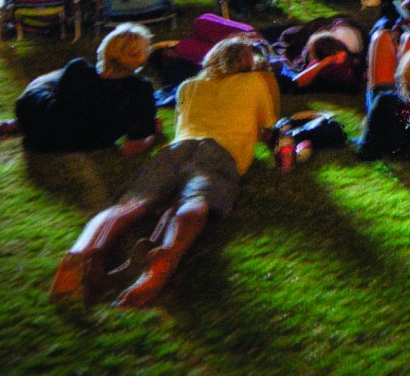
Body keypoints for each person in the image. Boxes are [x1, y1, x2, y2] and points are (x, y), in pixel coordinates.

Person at [49, 35, 279, 307]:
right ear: (246, 62)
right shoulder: (254, 81)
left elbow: (184, 125)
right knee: (195, 199)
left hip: (177, 150)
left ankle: (79, 252)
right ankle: (165, 257)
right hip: (220, 152)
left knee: (130, 204)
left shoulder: (188, 86)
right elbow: (267, 128)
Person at [0, 24, 160, 153]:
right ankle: (6, 126)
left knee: (58, 86)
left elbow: (65, 107)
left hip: (39, 134)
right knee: (72, 101)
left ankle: (5, 126)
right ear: (137, 56)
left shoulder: (79, 69)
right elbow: (131, 148)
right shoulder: (141, 90)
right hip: (84, 142)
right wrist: (151, 131)